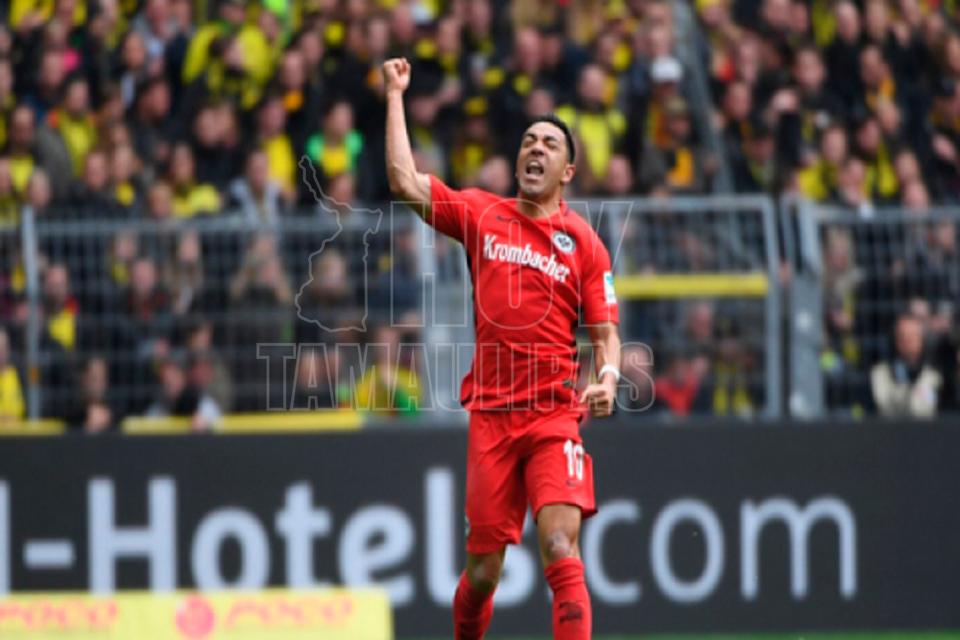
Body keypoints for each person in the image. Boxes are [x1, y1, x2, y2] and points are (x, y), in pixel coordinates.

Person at [383, 57, 621, 640]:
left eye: (549, 144)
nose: (536, 148)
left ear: (568, 170)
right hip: (491, 417)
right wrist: (394, 95)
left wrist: (609, 375)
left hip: (553, 415)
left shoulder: (586, 244)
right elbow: (405, 182)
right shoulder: (482, 214)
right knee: (483, 573)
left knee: (560, 545)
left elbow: (605, 332)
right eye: (528, 142)